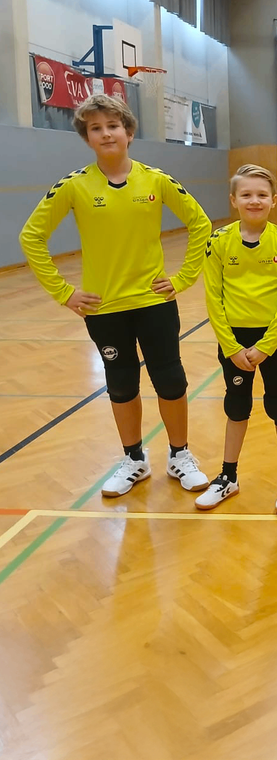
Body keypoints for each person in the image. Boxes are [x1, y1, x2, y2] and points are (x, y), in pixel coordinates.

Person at [19, 94, 211, 497]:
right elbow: (31, 236)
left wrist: (182, 278)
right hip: (104, 309)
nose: (106, 133)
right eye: (96, 128)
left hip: (154, 303)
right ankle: (134, 460)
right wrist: (64, 293)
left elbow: (200, 224)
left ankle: (180, 456)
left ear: (128, 132)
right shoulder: (74, 186)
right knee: (121, 385)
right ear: (87, 137)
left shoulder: (155, 180)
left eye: (112, 125)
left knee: (170, 380)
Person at [198, 164, 277, 513]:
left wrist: (265, 347)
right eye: (246, 194)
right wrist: (231, 347)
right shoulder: (218, 241)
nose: (254, 201)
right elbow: (214, 298)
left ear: (274, 200)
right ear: (233, 200)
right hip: (234, 343)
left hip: (272, 341)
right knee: (237, 406)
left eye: (261, 195)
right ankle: (228, 477)